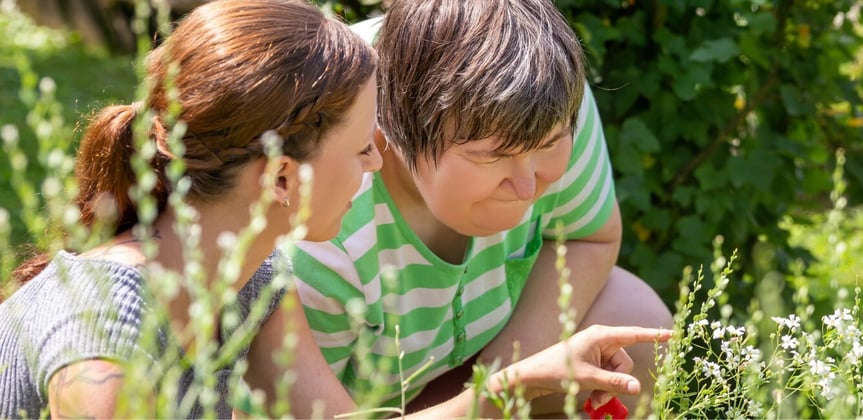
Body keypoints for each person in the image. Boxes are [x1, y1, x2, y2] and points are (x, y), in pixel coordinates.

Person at [0, 0, 669, 417]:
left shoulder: (252, 281)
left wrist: (515, 385)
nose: (378, 165)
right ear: (281, 178)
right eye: (361, 149)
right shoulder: (107, 333)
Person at [291, 0, 674, 413]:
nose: (526, 187)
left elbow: (589, 237)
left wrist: (507, 374)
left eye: (549, 144)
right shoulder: (319, 221)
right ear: (396, 129)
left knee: (635, 320)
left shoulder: (544, 88)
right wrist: (503, 395)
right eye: (493, 155)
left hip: (481, 355)